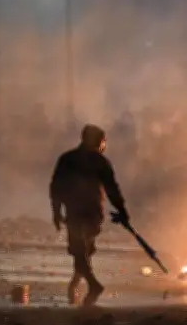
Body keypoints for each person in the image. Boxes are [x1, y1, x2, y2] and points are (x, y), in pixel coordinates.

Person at [50, 124, 130, 307]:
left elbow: (56, 188)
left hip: (76, 212)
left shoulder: (67, 159)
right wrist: (122, 210)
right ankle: (77, 283)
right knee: (83, 250)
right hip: (93, 213)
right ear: (97, 141)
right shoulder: (100, 162)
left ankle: (92, 285)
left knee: (80, 250)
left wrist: (56, 211)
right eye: (103, 141)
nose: (104, 145)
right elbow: (112, 189)